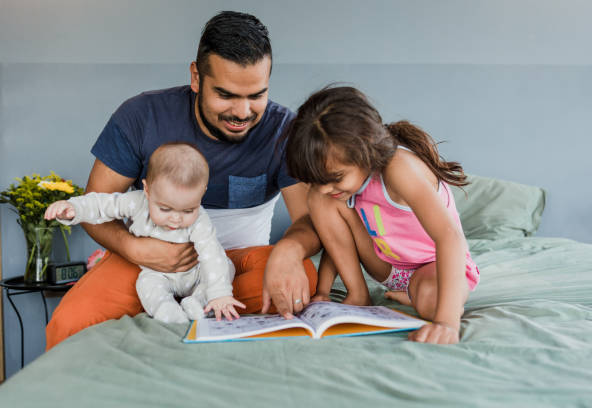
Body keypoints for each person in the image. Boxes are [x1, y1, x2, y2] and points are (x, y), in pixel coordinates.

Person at [45, 11, 321, 349]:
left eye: (256, 95)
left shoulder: (284, 130)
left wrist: (288, 253)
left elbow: (310, 219)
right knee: (69, 322)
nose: (243, 112)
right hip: (148, 260)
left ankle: (196, 308)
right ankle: (175, 307)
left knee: (304, 274)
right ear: (196, 77)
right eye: (226, 95)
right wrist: (136, 248)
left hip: (237, 262)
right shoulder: (141, 117)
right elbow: (98, 202)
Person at [284, 86, 480, 344]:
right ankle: (358, 294)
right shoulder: (338, 186)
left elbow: (450, 237)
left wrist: (447, 322)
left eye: (334, 179)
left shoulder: (399, 168)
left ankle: (423, 296)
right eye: (317, 181)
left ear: (364, 152)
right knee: (318, 199)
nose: (324, 188)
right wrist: (323, 290)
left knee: (433, 302)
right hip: (388, 266)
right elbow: (335, 237)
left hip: (434, 264)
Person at [45, 143, 245, 323]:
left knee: (225, 266)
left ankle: (199, 303)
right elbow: (102, 204)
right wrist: (74, 209)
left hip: (195, 272)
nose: (176, 219)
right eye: (165, 209)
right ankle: (168, 312)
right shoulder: (137, 202)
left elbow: (211, 254)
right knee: (147, 285)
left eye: (187, 210)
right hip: (157, 273)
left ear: (202, 193)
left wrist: (220, 294)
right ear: (147, 190)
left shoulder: (200, 219)